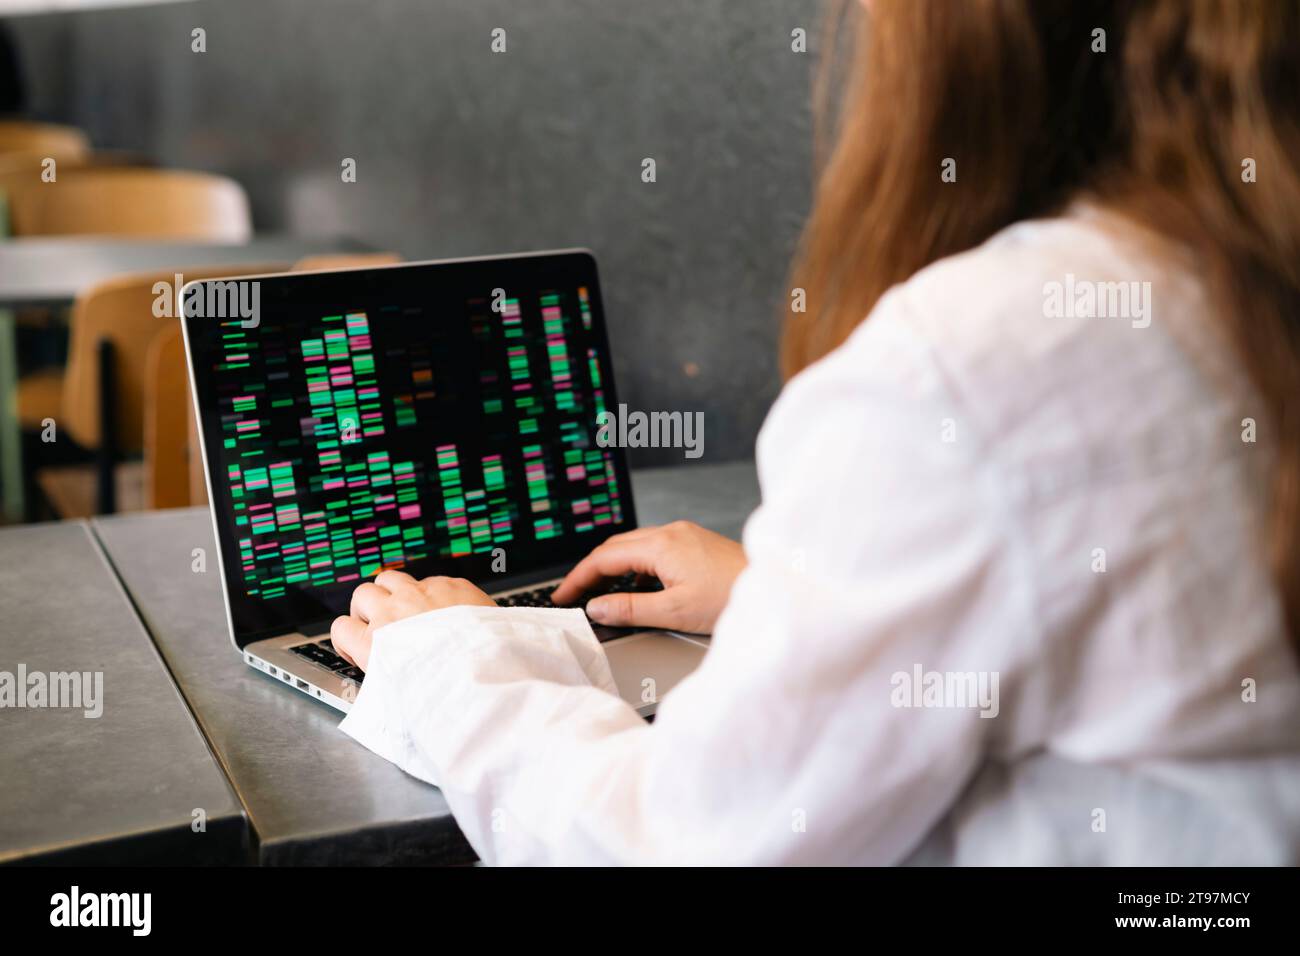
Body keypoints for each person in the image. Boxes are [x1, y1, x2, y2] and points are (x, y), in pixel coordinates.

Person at [331, 0, 1300, 864]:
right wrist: (798, 603)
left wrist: (451, 664)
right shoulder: (1242, 276)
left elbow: (676, 844)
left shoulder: (976, 357)